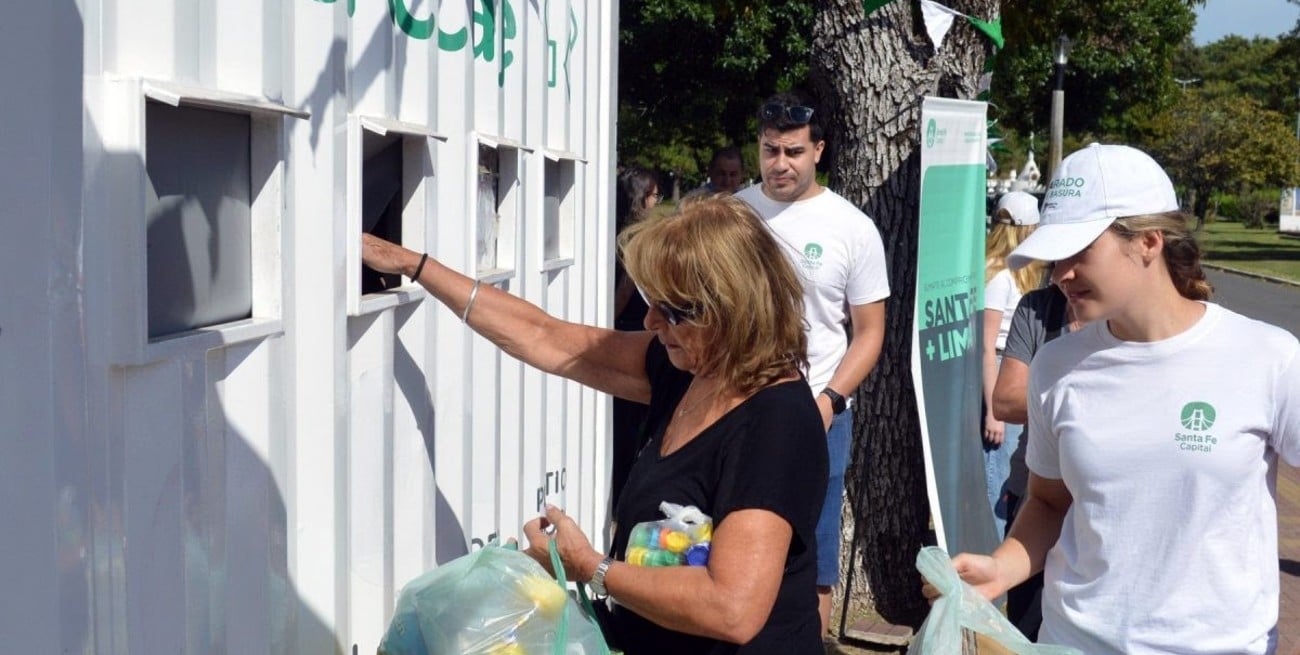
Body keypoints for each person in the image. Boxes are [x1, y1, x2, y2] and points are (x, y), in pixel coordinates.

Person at [361, 194, 829, 654]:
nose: (649, 320)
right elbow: (545, 337)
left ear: (730, 311)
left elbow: (733, 608)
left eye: (671, 310)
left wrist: (589, 566)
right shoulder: (685, 371)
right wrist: (411, 264)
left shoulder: (776, 424)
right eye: (651, 300)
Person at [943, 144, 1300, 653]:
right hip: (1074, 641)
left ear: (1149, 242)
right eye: (1055, 255)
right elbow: (1048, 500)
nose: (1060, 272)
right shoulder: (1055, 366)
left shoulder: (1268, 357)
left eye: (1079, 252)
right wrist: (1001, 567)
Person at [734, 91, 889, 635]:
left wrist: (830, 401)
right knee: (727, 545)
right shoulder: (733, 215)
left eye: (794, 151)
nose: (780, 164)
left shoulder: (851, 227)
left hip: (818, 413)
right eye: (770, 150)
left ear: (818, 150)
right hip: (736, 407)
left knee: (814, 565)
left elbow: (869, 334)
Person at [989, 282, 1079, 640]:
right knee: (1026, 624)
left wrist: (1047, 398)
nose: (1064, 273)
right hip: (1033, 494)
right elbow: (1006, 400)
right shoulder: (1039, 308)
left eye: (1081, 253)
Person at [980, 191, 1044, 536]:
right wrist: (994, 410)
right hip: (1004, 369)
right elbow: (987, 347)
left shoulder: (1018, 274)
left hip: (1023, 368)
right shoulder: (999, 277)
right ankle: (992, 572)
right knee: (1001, 482)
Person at [611, 167, 661, 505]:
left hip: (622, 330)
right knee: (630, 427)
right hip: (629, 333)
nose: (658, 201)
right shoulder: (634, 240)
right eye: (655, 195)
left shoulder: (612, 231)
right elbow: (626, 290)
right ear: (641, 197)